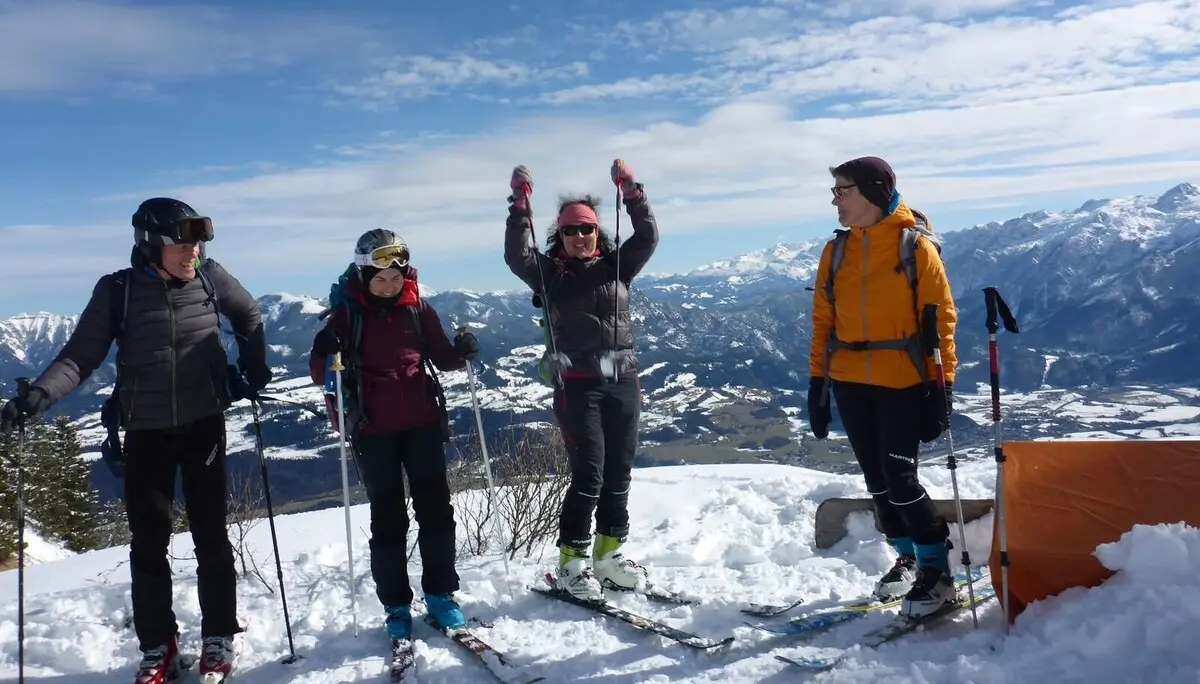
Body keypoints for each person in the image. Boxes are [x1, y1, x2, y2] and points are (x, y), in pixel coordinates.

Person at [0, 197, 271, 684]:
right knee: (148, 544)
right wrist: (41, 395)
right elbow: (80, 356)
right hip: (146, 430)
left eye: (198, 243)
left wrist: (255, 367)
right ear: (150, 245)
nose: (193, 252)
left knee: (211, 537)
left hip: (204, 424)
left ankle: (219, 635)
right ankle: (158, 646)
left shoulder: (212, 277)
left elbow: (249, 314)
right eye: (183, 244)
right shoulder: (118, 291)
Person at [307, 229, 481, 644]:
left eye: (395, 277)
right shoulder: (347, 316)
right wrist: (323, 347)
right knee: (388, 520)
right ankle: (396, 605)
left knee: (436, 512)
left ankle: (440, 594)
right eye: (380, 278)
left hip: (422, 424)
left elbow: (441, 356)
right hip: (373, 431)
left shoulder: (418, 309)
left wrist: (462, 351)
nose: (389, 286)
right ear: (364, 276)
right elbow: (320, 374)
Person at [806, 156, 958, 618]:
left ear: (872, 192)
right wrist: (818, 383)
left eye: (842, 190)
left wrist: (943, 387)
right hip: (850, 381)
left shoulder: (915, 248)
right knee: (876, 480)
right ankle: (908, 557)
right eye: (834, 191)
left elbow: (941, 322)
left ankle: (938, 572)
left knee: (900, 478)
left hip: (902, 380)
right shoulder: (836, 252)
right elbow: (823, 322)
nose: (835, 200)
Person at [502, 159, 659, 601]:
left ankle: (608, 558)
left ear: (596, 231)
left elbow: (647, 236)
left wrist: (632, 191)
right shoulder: (550, 275)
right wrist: (519, 205)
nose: (579, 237)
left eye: (586, 228)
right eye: (570, 230)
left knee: (618, 473)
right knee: (589, 474)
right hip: (577, 387)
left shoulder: (617, 267)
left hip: (623, 381)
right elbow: (516, 255)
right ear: (560, 234)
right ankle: (571, 563)